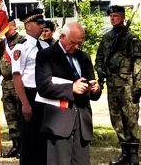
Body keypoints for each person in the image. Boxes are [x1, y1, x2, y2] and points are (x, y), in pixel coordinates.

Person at [36, 21, 102, 165]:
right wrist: (71, 88)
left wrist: (95, 89)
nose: (76, 47)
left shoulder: (84, 57)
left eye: (80, 43)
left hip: (82, 121)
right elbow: (43, 87)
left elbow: (92, 86)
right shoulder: (46, 55)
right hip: (59, 122)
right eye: (73, 42)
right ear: (62, 36)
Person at [95, 5, 141, 165]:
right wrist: (100, 70)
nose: (113, 18)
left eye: (116, 15)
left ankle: (134, 153)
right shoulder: (107, 38)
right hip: (112, 85)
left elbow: (139, 62)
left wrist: (137, 84)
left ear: (123, 17)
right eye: (111, 16)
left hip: (127, 85)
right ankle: (124, 151)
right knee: (116, 119)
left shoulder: (131, 38)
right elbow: (99, 58)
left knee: (130, 118)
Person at [13, 9, 50, 165]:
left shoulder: (45, 45)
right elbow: (17, 76)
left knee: (44, 138)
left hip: (46, 95)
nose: (42, 26)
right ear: (28, 26)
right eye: (38, 23)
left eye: (43, 23)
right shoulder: (21, 47)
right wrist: (25, 103)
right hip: (30, 95)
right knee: (29, 139)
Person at [0, 20, 28, 158]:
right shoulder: (1, 43)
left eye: (7, 25)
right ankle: (15, 144)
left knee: (20, 115)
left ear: (14, 25)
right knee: (10, 116)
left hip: (19, 82)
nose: (6, 29)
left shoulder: (22, 41)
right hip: (6, 84)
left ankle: (24, 146)